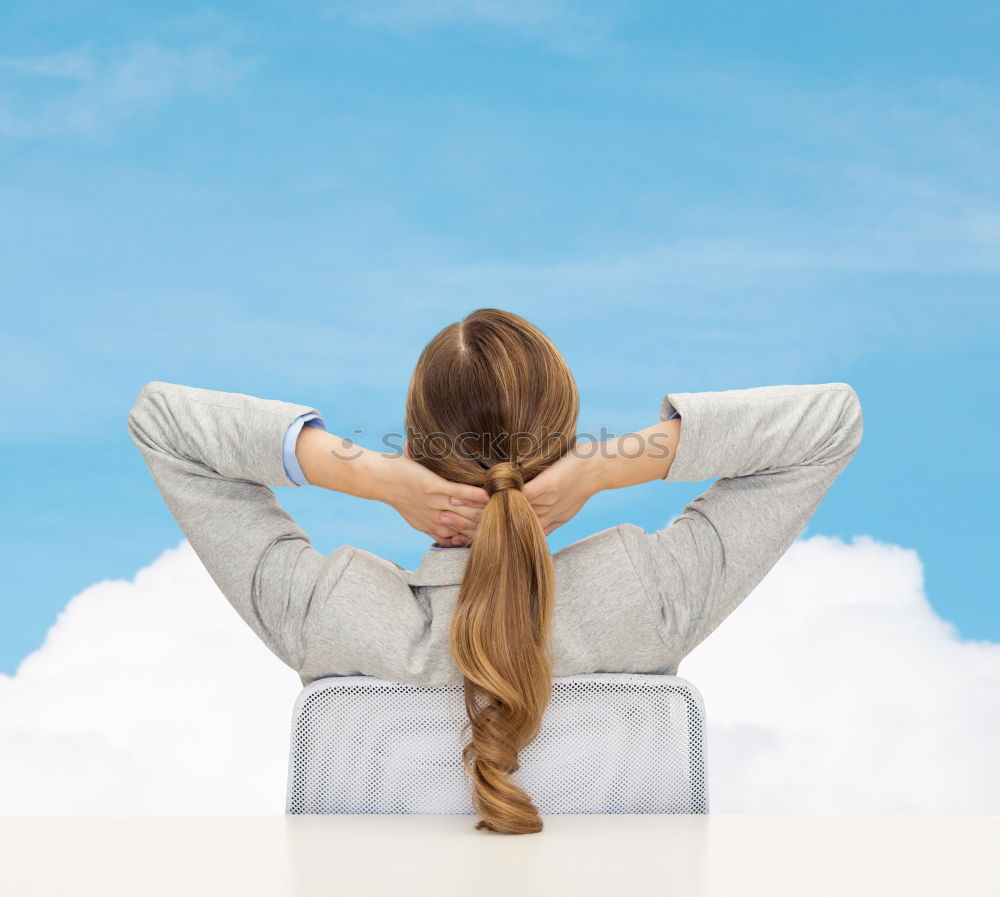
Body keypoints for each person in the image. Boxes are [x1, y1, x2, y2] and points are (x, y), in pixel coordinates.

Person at [127, 307, 863, 835]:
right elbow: (829, 422)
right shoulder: (646, 595)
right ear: (562, 445)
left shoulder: (332, 611)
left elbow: (163, 422)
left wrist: (374, 475)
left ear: (417, 443)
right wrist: (604, 467)